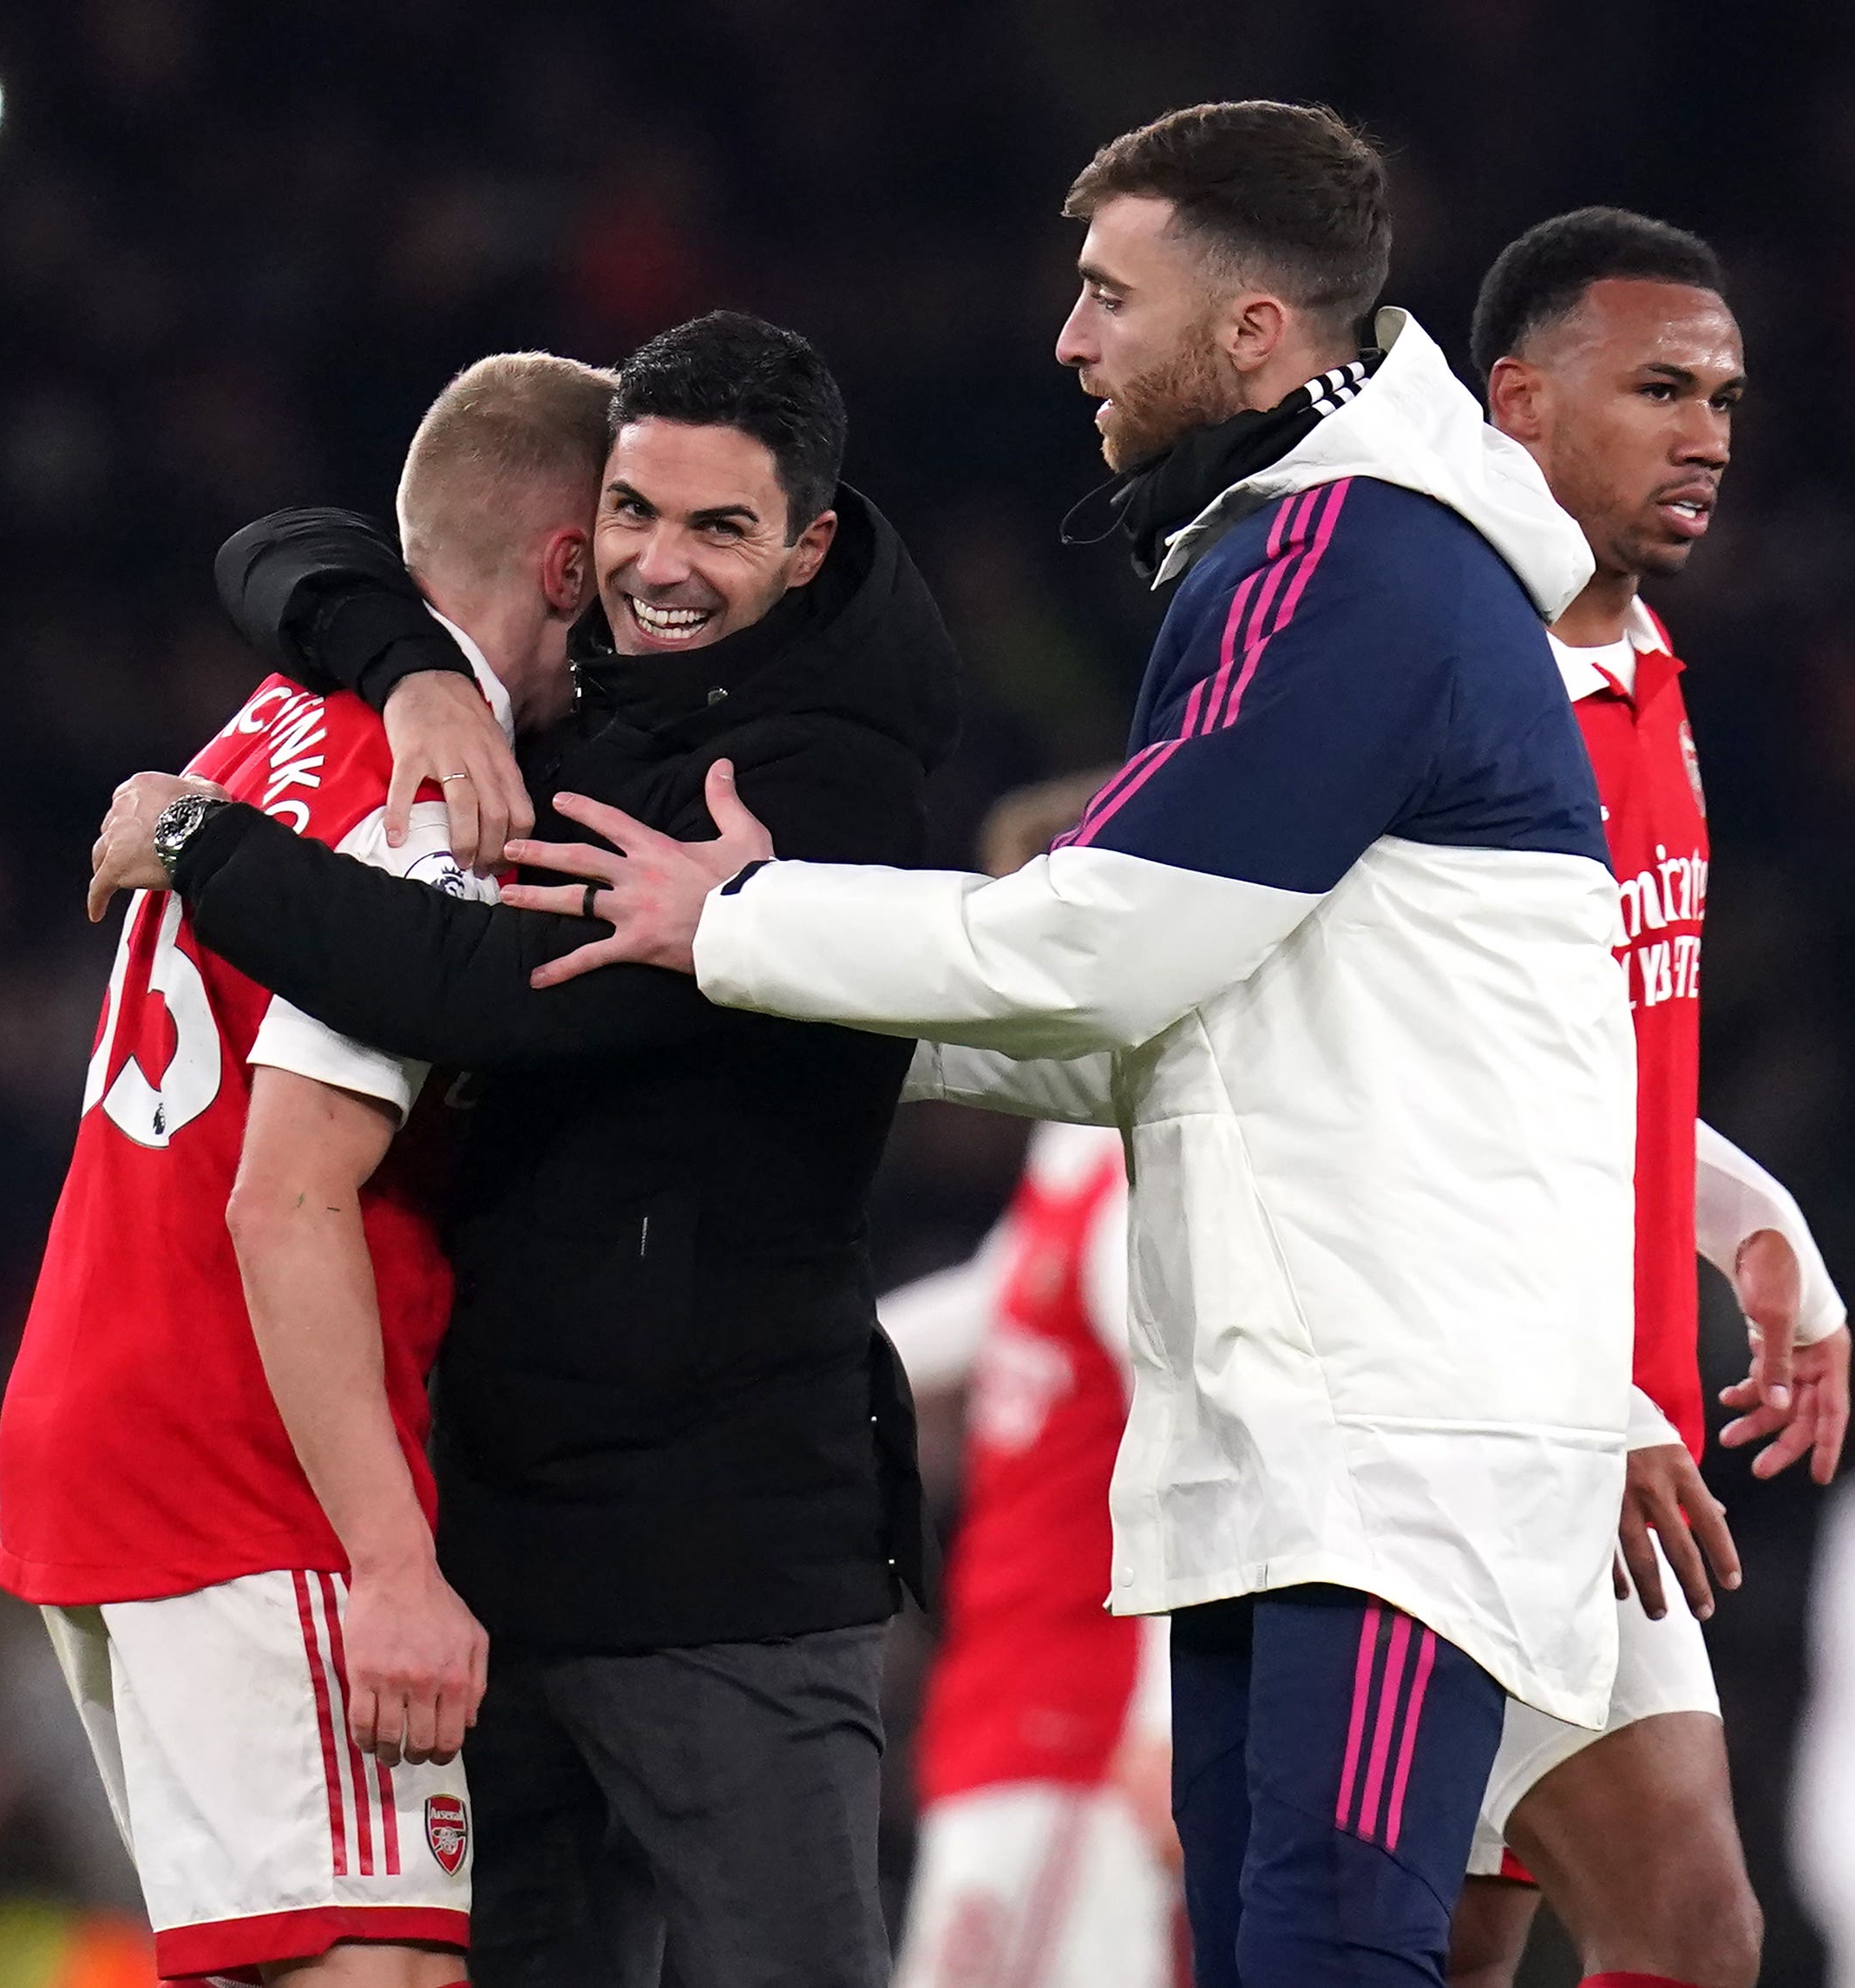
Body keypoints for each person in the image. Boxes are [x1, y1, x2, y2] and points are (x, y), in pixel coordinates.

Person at [491, 102, 1636, 1987]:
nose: (1068, 340)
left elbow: (1106, 956)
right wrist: (745, 975)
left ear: (1254, 333)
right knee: (1267, 1951)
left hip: (1391, 1435)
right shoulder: (1291, 559)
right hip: (1295, 1429)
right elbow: (1152, 1035)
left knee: (1334, 1952)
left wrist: (746, 924)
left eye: (1109, 294)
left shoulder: (1356, 565)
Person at [86, 311, 960, 1988]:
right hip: (507, 1558)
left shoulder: (816, 779)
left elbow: (493, 990)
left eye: (720, 528)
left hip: (731, 1565)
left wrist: (201, 834)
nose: (661, 566)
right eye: (635, 513)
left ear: (810, 545)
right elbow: (290, 543)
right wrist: (410, 664)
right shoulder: (570, 712)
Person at [0, 350, 613, 1986]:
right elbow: (288, 1192)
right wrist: (394, 1570)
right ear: (569, 565)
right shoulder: (439, 790)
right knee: (379, 1970)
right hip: (253, 1462)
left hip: (112, 1422)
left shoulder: (268, 727)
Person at [1441, 209, 1855, 1988]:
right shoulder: (1450, 681)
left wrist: (1754, 1225)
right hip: (1465, 1430)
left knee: (1462, 1955)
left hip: (1584, 1446)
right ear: (1516, 403)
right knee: (1688, 1927)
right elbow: (1419, 1090)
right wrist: (1578, 1387)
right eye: (1659, 390)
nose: (1707, 436)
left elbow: (1583, 1059)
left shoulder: (1646, 678)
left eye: (1726, 400)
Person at [877, 773, 1183, 1988]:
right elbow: (975, 1311)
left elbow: (1185, 1440)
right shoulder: (1080, 1149)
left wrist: (1160, 1730)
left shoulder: (1151, 1168)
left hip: (1079, 1721)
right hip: (1005, 1703)